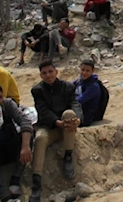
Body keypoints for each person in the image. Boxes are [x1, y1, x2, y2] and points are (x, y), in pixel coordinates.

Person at [30, 60, 83, 202]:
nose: (48, 75)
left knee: (70, 114)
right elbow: (42, 110)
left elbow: (75, 103)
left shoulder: (68, 87)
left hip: (66, 126)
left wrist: (77, 119)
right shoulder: (37, 90)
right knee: (40, 139)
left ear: (56, 72)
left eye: (50, 71)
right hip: (49, 126)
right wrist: (56, 122)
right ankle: (36, 182)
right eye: (44, 73)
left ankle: (68, 156)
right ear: (40, 75)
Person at [73, 59, 108, 127]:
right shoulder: (79, 81)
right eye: (83, 70)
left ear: (92, 71)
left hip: (87, 116)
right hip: (79, 110)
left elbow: (80, 100)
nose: (84, 73)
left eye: (87, 71)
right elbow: (69, 88)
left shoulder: (93, 86)